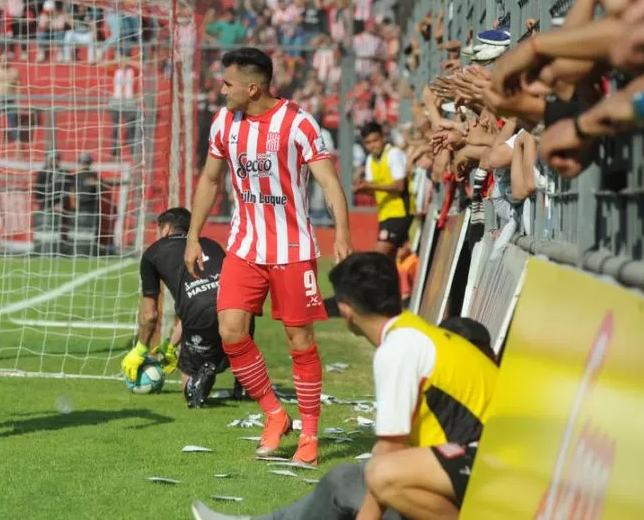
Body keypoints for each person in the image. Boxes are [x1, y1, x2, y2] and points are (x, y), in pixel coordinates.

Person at [191, 252, 498, 520]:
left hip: (486, 475)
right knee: (342, 480)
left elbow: (389, 456)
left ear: (347, 309)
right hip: (477, 467)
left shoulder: (399, 348)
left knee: (378, 476)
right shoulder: (415, 332)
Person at [184, 47, 353, 466]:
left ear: (252, 87)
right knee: (230, 330)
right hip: (245, 246)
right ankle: (275, 415)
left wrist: (343, 235)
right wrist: (192, 235)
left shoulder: (298, 123)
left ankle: (310, 435)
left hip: (293, 251)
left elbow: (330, 183)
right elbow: (209, 178)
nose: (221, 89)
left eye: (227, 83)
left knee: (300, 340)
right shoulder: (224, 123)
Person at [122, 207, 252, 408]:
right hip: (238, 306)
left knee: (189, 389)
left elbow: (150, 315)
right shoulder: (211, 245)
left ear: (165, 229)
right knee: (236, 339)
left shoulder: (153, 253)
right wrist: (172, 345)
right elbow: (206, 295)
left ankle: (197, 382)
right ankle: (243, 382)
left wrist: (139, 351)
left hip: (200, 312)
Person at [354, 122, 412, 259]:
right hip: (385, 213)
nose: (373, 145)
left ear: (383, 138)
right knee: (392, 259)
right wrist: (361, 190)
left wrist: (370, 186)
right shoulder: (370, 160)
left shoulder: (393, 154)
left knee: (378, 256)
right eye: (368, 142)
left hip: (400, 212)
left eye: (375, 140)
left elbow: (399, 186)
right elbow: (373, 190)